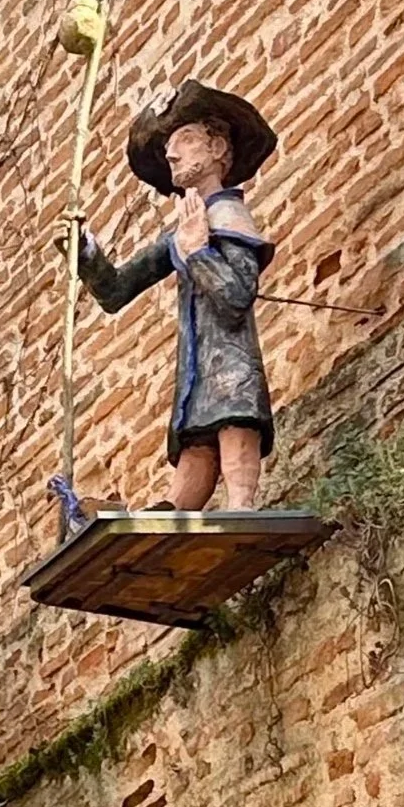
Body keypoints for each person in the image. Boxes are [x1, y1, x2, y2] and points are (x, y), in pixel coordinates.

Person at [63, 80, 278, 516]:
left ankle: (241, 506)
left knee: (234, 424)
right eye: (168, 147)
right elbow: (117, 289)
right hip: (197, 368)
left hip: (230, 363)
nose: (172, 154)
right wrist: (83, 251)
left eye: (184, 139)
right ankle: (166, 512)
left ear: (217, 147)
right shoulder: (183, 229)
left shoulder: (227, 216)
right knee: (196, 445)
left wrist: (199, 249)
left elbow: (236, 296)